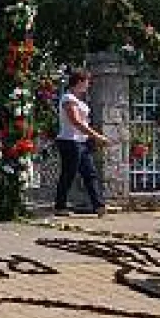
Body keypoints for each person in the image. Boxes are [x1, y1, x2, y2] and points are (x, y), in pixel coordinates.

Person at [53, 69, 112, 216]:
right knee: (69, 174)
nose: (88, 85)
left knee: (90, 173)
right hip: (69, 141)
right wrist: (97, 136)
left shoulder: (78, 100)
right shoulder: (68, 98)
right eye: (86, 82)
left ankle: (99, 206)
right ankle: (60, 206)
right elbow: (76, 122)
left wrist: (90, 137)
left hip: (81, 142)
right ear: (79, 82)